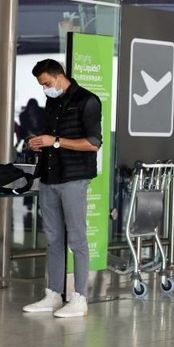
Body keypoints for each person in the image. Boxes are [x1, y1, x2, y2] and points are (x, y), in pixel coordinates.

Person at [22, 59, 102, 318]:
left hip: (74, 178)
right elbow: (50, 137)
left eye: (46, 83)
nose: (45, 88)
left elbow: (93, 143)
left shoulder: (88, 101)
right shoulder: (52, 101)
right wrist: (37, 143)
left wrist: (54, 142)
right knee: (53, 238)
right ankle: (53, 294)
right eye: (41, 85)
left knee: (77, 239)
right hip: (49, 177)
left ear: (59, 76)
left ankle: (79, 298)